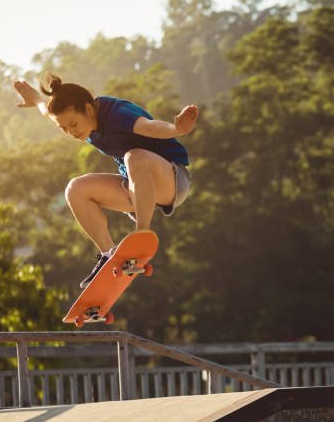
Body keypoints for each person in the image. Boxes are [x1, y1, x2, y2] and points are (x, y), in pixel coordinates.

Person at [13, 73, 198, 288]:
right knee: (75, 189)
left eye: (73, 124)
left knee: (134, 157)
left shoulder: (116, 114)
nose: (70, 132)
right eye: (63, 128)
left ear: (89, 109)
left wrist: (177, 130)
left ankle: (141, 235)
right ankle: (108, 255)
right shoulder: (79, 120)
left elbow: (150, 127)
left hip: (173, 180)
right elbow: (47, 111)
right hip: (137, 190)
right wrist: (36, 99)